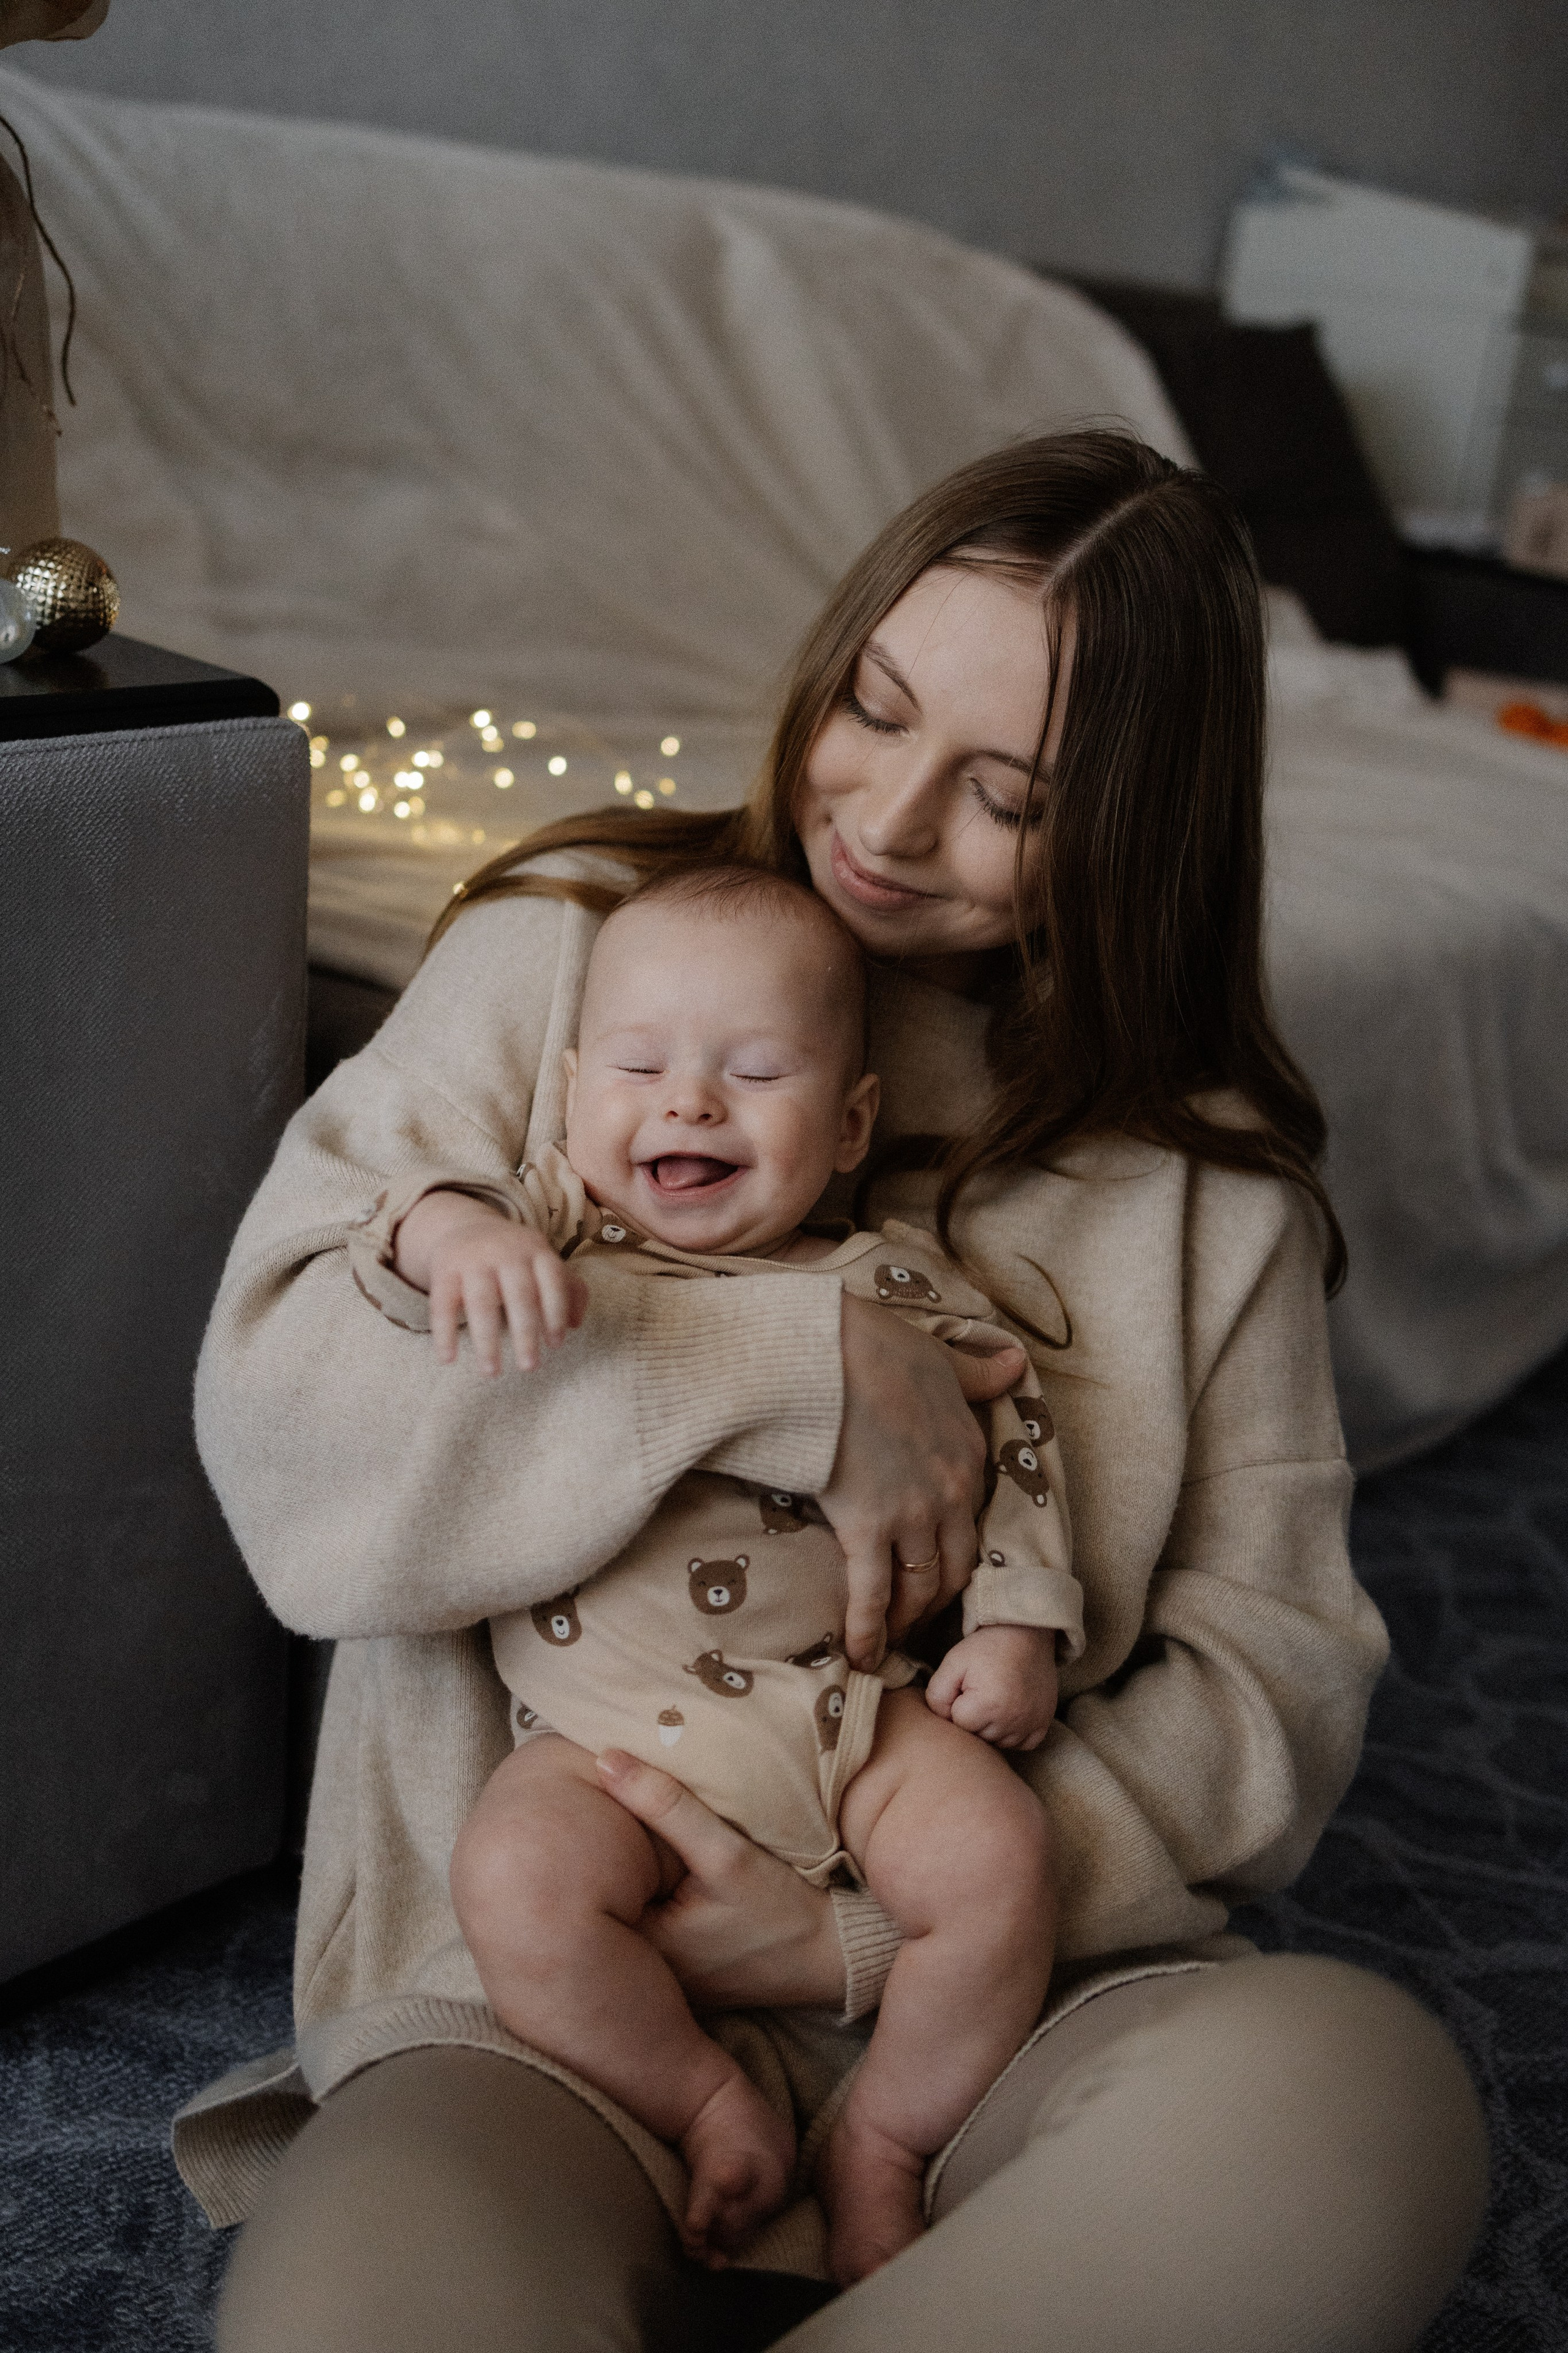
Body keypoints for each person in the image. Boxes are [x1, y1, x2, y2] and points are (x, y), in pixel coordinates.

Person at [192, 429, 1488, 2352]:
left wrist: (863, 1936)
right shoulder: (569, 958)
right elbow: (291, 1450)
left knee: (1361, 2095)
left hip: (1010, 2005)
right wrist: (786, 1358)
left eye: (1007, 797)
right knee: (349, 2315)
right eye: (873, 708)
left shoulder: (1200, 1184)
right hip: (540, 2002)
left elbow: (1272, 1677)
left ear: (1134, 830)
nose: (880, 817)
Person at [370, 863, 1078, 2280]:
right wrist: (449, 1231)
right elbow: (399, 1238)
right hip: (601, 1742)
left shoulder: (896, 1283)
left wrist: (1016, 1625)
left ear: (850, 1125)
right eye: (638, 1065)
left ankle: (881, 2138)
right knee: (512, 1880)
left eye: (753, 1073)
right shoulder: (557, 1236)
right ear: (573, 1094)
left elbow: (1011, 1435)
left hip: (850, 1712)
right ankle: (704, 2096)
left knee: (1000, 1865)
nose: (686, 1101)